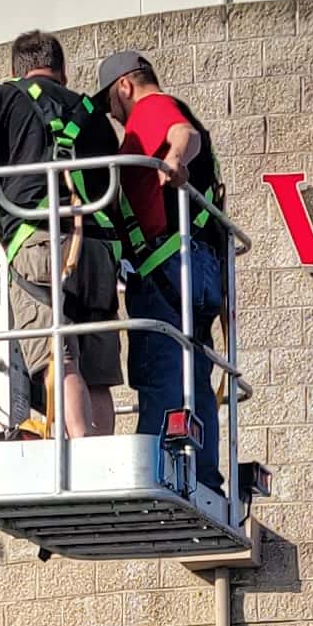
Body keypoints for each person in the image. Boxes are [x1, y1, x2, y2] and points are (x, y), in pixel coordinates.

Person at [0, 30, 134, 437]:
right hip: (97, 247)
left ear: (15, 70)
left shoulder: (3, 97)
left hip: (39, 241)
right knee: (97, 372)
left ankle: (79, 452)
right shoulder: (91, 112)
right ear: (64, 72)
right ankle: (102, 455)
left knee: (59, 353)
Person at [100, 47, 236, 486]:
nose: (118, 120)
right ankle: (205, 476)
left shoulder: (152, 107)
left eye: (112, 108)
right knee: (192, 373)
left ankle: (158, 471)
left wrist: (174, 157)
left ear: (125, 86)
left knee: (160, 368)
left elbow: (182, 133)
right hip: (196, 266)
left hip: (168, 266)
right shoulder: (174, 112)